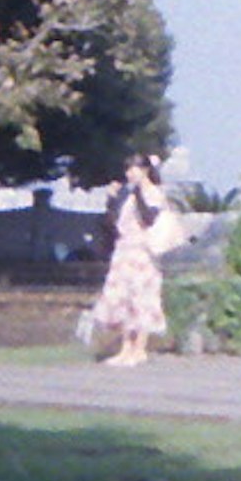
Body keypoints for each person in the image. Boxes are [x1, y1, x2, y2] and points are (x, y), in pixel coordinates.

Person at [80, 155, 190, 366]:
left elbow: (148, 218)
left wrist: (139, 191)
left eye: (135, 169)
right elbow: (112, 223)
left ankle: (139, 348)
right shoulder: (127, 195)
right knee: (122, 298)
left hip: (143, 252)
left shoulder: (154, 193)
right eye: (128, 169)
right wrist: (112, 200)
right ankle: (125, 348)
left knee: (141, 299)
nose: (130, 173)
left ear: (146, 170)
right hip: (124, 250)